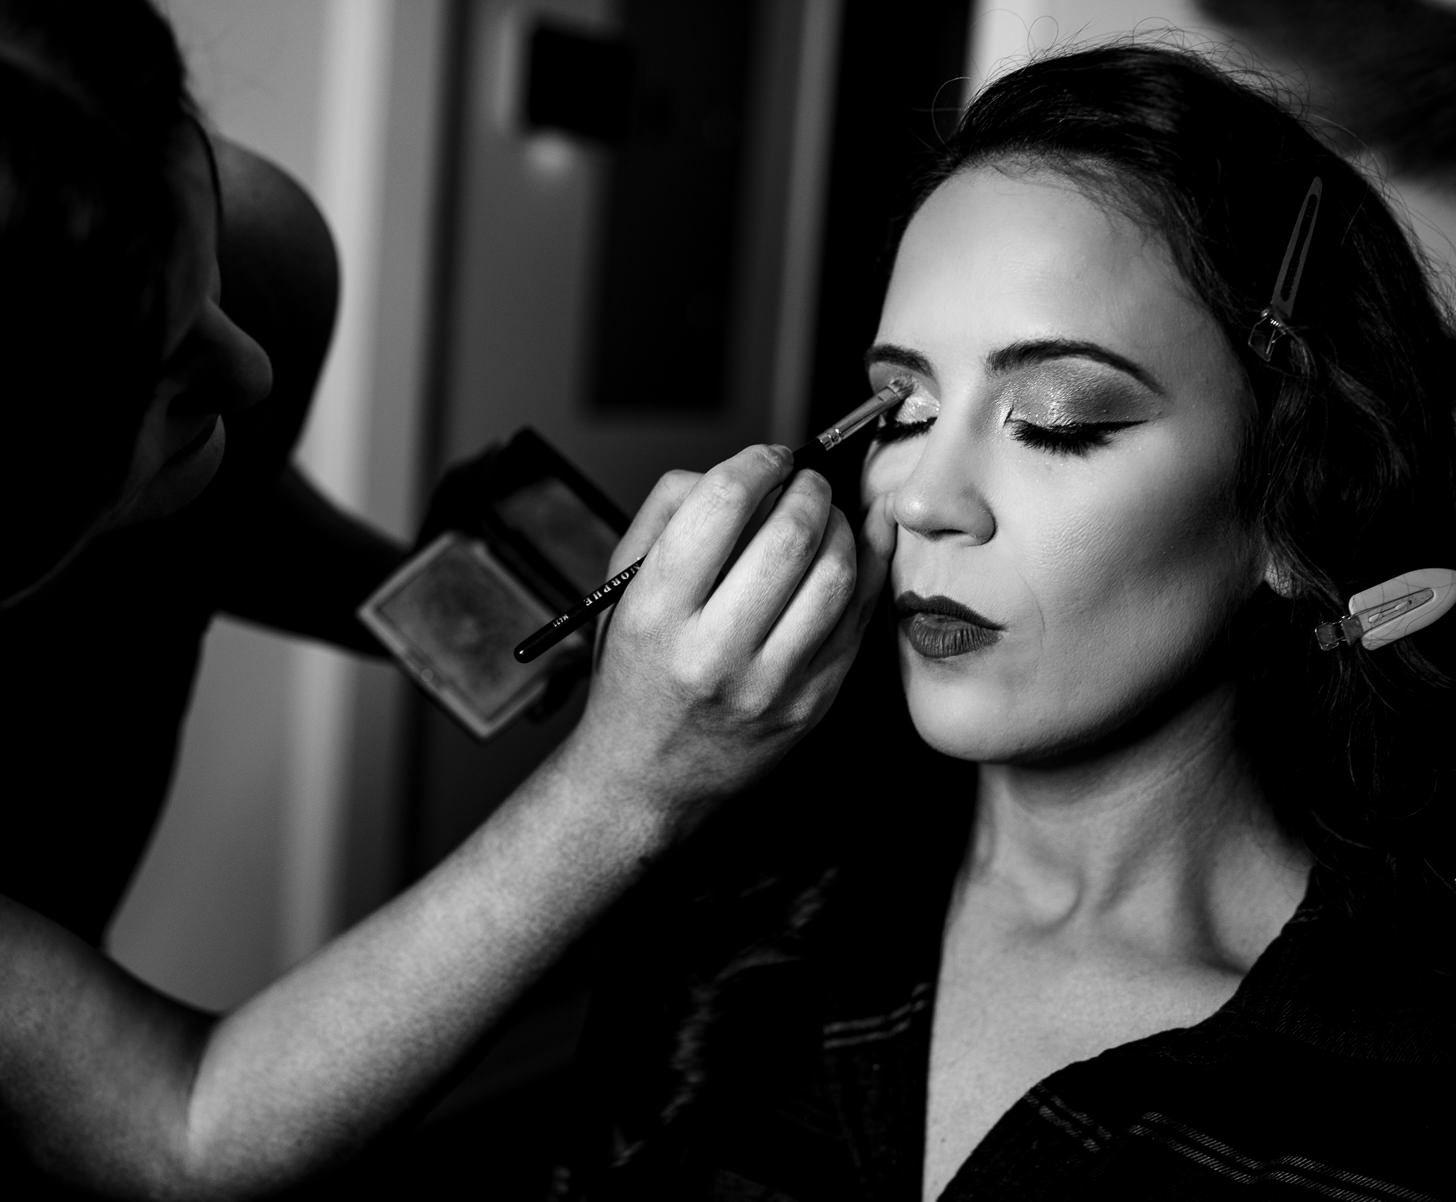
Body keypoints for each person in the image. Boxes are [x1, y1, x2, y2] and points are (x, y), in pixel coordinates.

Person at [0, 1, 891, 1197]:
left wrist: (437, 603)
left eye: (214, 293)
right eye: (163, 387)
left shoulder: (245, 245)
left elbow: (193, 528)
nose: (245, 370)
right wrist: (637, 774)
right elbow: (182, 1125)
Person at [553, 41, 1456, 1201]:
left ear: (1291, 501)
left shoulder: (1408, 1097)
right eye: (904, 407)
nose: (923, 495)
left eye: (1057, 418)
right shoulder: (734, 928)